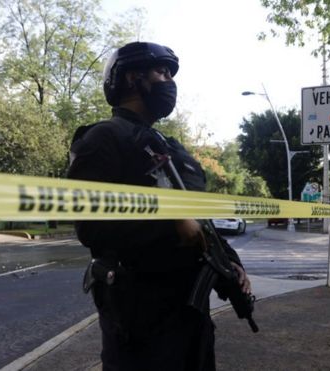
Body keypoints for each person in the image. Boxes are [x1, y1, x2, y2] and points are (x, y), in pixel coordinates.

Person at [67, 41, 251, 371]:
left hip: (189, 316)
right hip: (139, 319)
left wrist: (231, 263)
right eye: (162, 72)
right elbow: (89, 223)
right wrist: (170, 222)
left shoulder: (171, 148)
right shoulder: (102, 139)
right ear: (133, 78)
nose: (170, 82)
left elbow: (200, 221)